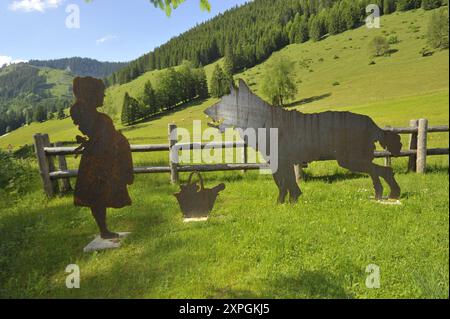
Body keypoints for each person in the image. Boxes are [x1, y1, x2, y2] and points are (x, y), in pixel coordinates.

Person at [70, 77, 134, 239]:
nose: (104, 96)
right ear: (92, 94)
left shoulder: (96, 118)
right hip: (100, 163)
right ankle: (104, 230)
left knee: (98, 196)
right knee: (97, 195)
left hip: (99, 160)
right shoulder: (98, 119)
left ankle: (104, 230)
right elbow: (104, 139)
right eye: (101, 93)